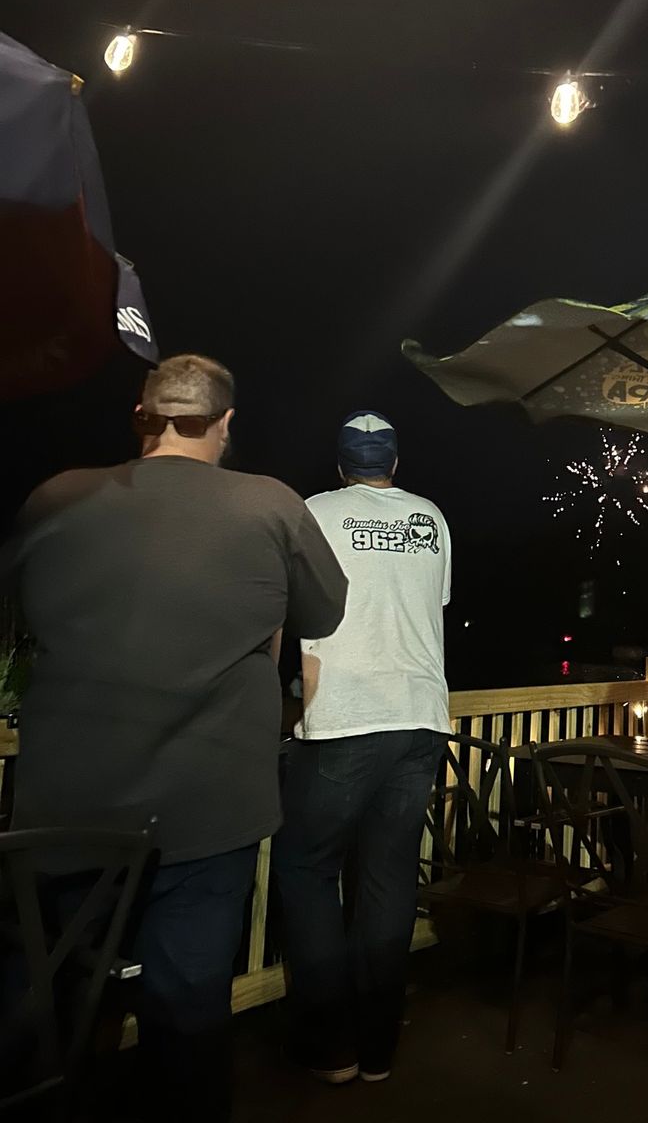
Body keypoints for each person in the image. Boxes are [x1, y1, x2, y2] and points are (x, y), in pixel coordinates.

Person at [5, 355, 347, 1121]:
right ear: (225, 424)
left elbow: (23, 616)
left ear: (141, 416)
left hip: (64, 806)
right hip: (208, 807)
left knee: (45, 995)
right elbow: (324, 616)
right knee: (187, 1008)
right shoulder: (270, 505)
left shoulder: (54, 497)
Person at [274, 410, 451, 1086]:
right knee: (387, 874)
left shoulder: (314, 510)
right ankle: (378, 1047)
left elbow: (291, 609)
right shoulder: (430, 518)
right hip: (420, 715)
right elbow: (432, 607)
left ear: (342, 465)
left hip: (347, 715)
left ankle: (330, 1044)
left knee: (304, 865)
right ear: (394, 464)